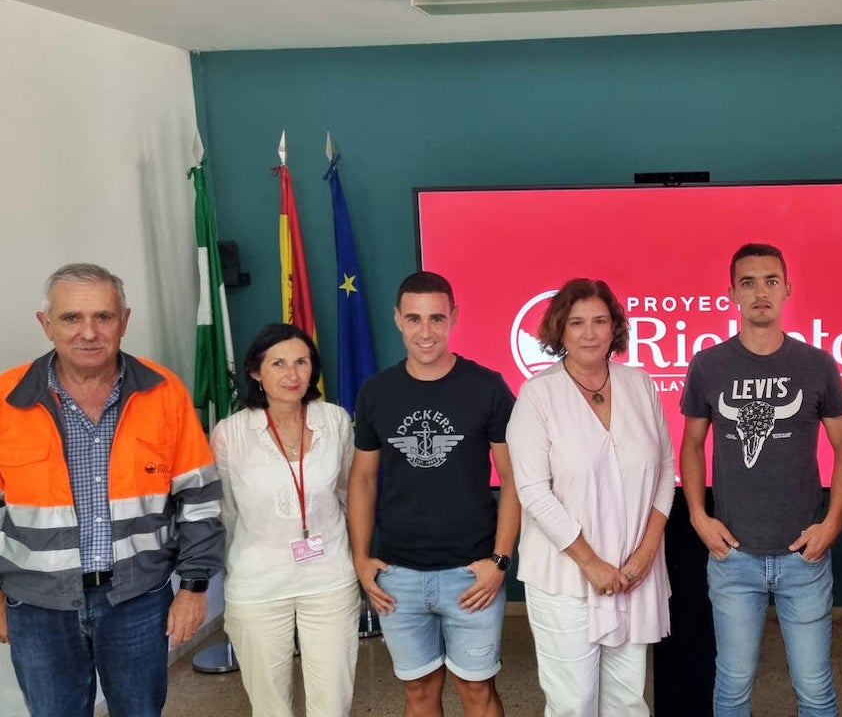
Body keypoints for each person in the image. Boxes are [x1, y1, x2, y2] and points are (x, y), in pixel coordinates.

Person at [0, 262, 224, 716]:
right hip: (39, 605)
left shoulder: (164, 393)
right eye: (71, 318)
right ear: (46, 325)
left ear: (124, 320)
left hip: (137, 600)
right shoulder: (7, 399)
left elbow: (198, 497)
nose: (89, 332)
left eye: (103, 316)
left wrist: (194, 586)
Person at [680, 243, 842, 717]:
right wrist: (698, 516)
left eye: (770, 281)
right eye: (748, 282)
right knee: (733, 685)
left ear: (787, 290)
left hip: (805, 554)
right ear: (731, 294)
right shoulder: (708, 365)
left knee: (816, 689)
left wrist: (833, 523)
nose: (761, 291)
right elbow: (691, 444)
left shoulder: (817, 365)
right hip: (733, 556)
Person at [348, 270, 518, 717]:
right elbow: (363, 480)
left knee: (477, 691)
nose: (426, 331)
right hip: (399, 575)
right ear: (397, 320)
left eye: (437, 318)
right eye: (415, 319)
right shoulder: (376, 392)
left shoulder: (487, 387)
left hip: (472, 572)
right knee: (419, 692)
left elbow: (514, 478)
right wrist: (361, 560)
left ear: (454, 318)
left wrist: (500, 560)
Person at [507, 278, 675, 716]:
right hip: (566, 579)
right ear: (559, 330)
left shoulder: (641, 386)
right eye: (577, 322)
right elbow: (532, 490)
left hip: (632, 575)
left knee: (627, 701)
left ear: (614, 328)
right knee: (573, 703)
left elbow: (665, 471)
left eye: (600, 321)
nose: (589, 332)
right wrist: (590, 562)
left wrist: (646, 554)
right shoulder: (537, 395)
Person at [210, 323, 359, 716]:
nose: (292, 375)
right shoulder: (230, 433)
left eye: (301, 362)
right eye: (277, 363)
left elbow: (348, 493)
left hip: (329, 579)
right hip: (257, 585)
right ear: (256, 372)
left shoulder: (336, 421)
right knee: (270, 707)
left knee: (333, 704)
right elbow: (226, 512)